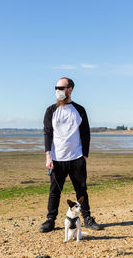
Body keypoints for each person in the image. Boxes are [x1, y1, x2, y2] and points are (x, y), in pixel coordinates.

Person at [39, 77, 101, 233]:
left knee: (81, 190)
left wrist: (84, 156)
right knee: (54, 191)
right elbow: (47, 133)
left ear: (70, 89)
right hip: (56, 159)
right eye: (56, 88)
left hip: (76, 158)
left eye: (61, 88)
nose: (57, 91)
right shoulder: (50, 110)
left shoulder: (79, 110)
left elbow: (86, 134)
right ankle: (50, 220)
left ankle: (87, 218)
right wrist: (48, 156)